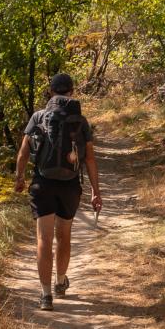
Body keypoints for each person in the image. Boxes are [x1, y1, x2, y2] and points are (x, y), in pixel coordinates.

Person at [14, 72, 102, 310]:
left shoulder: (38, 117)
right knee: (64, 236)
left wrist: (20, 177)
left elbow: (23, 153)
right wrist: (95, 191)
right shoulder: (81, 121)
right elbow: (90, 159)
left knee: (44, 239)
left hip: (43, 183)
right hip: (70, 185)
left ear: (51, 92)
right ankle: (60, 282)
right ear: (72, 92)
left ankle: (45, 296)